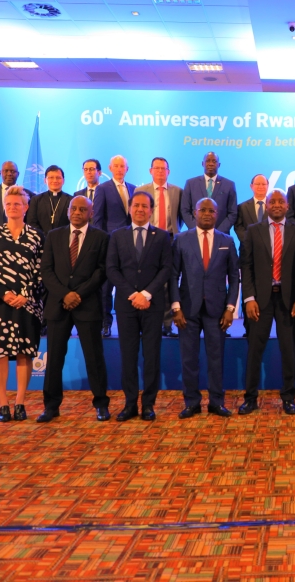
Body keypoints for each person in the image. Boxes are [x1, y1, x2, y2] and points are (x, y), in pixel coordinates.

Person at [38, 195, 111, 423]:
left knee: (94, 357)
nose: (77, 212)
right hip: (58, 305)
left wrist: (78, 294)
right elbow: (46, 271)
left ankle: (101, 404)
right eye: (74, 208)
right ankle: (51, 406)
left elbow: (101, 272)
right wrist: (65, 294)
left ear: (91, 213)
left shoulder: (101, 238)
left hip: (87, 305)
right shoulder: (54, 236)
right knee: (55, 359)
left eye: (83, 209)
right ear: (68, 211)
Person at [0, 186, 44, 423]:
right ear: (4, 207)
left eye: (18, 204)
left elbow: (41, 271)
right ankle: (3, 403)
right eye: (9, 204)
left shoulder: (37, 236)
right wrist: (5, 294)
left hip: (28, 303)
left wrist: (26, 295)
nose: (13, 207)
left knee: (24, 354)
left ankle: (20, 403)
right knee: (0, 353)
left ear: (26, 207)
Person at [105, 191, 171, 421]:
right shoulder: (117, 236)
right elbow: (111, 269)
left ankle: (149, 405)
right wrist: (133, 294)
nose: (140, 209)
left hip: (153, 305)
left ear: (151, 210)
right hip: (126, 305)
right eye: (136, 205)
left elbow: (166, 269)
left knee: (151, 356)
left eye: (145, 206)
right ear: (130, 208)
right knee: (128, 356)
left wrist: (146, 294)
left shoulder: (162, 236)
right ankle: (130, 404)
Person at [171, 198, 239, 418]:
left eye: (212, 210)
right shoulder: (181, 239)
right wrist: (175, 307)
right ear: (195, 212)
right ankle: (191, 402)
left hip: (217, 311)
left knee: (216, 358)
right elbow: (173, 276)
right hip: (187, 311)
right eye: (203, 210)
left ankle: (216, 402)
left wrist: (230, 308)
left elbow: (234, 278)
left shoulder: (227, 241)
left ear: (217, 214)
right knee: (189, 359)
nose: (207, 214)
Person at [239, 191, 295, 415]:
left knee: (289, 351)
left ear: (287, 206)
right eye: (272, 202)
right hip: (259, 300)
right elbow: (246, 267)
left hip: (288, 300)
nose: (276, 205)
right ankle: (250, 399)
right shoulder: (252, 231)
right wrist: (248, 298)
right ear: (265, 206)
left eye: (281, 202)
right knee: (254, 351)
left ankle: (289, 398)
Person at [138, 157, 184, 337]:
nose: (160, 171)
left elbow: (181, 216)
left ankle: (167, 324)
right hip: (148, 239)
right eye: (156, 168)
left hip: (171, 240)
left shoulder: (178, 191)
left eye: (163, 169)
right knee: (148, 280)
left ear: (168, 172)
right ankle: (146, 322)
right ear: (150, 171)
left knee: (168, 282)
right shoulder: (141, 190)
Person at [92, 155, 135, 338]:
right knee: (106, 288)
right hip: (110, 244)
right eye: (116, 166)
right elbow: (97, 219)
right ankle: (105, 323)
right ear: (110, 168)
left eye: (122, 166)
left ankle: (130, 323)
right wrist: (101, 244)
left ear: (127, 168)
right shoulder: (102, 189)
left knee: (130, 285)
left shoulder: (134, 188)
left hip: (131, 246)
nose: (119, 169)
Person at [181, 152, 237, 234]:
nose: (211, 164)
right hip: (196, 235)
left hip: (221, 235)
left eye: (214, 161)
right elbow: (185, 210)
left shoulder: (229, 185)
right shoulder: (190, 183)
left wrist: (217, 233)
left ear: (219, 165)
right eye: (208, 161)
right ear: (202, 163)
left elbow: (233, 212)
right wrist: (197, 229)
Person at [0, 161, 33, 232]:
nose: (9, 174)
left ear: (18, 174)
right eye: (6, 171)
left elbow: (31, 221)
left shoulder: (29, 195)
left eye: (12, 171)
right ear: (0, 173)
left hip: (21, 239)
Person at [26, 165, 72, 237]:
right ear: (45, 180)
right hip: (41, 240)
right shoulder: (36, 200)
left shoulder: (71, 200)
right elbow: (31, 222)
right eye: (51, 178)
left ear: (63, 181)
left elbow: (72, 223)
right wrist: (44, 237)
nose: (55, 180)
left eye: (58, 178)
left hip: (64, 240)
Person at [235, 174, 271, 244]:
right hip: (248, 248)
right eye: (257, 184)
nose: (261, 186)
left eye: (263, 184)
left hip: (270, 248)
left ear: (268, 186)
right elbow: (238, 228)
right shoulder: (242, 207)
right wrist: (251, 241)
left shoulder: (274, 207)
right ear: (251, 186)